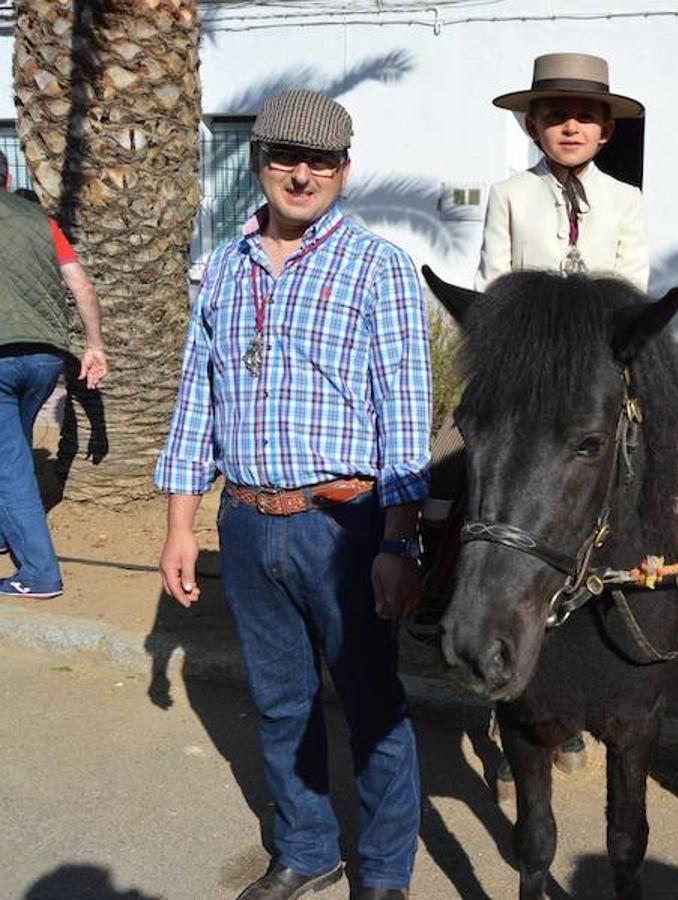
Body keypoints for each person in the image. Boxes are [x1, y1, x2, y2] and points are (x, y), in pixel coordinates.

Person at [155, 90, 429, 900]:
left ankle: (382, 873)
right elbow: (194, 402)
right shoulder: (222, 268)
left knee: (374, 703)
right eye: (285, 157)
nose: (301, 175)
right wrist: (181, 527)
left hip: (343, 526)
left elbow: (405, 416)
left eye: (320, 162)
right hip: (245, 523)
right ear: (258, 162)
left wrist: (397, 541)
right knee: (279, 702)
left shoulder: (377, 268)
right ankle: (307, 850)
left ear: (345, 172)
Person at [420, 52, 678, 642]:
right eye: (557, 115)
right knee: (440, 459)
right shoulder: (508, 195)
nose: (571, 128)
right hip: (526, 368)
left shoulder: (626, 200)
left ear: (606, 130)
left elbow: (631, 289)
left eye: (585, 117)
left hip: (599, 364)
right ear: (532, 126)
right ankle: (441, 572)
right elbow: (495, 284)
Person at [0, 149, 107, 598]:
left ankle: (40, 573)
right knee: (13, 453)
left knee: (9, 464)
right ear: (6, 178)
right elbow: (81, 284)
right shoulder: (39, 221)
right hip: (45, 359)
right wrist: (94, 344)